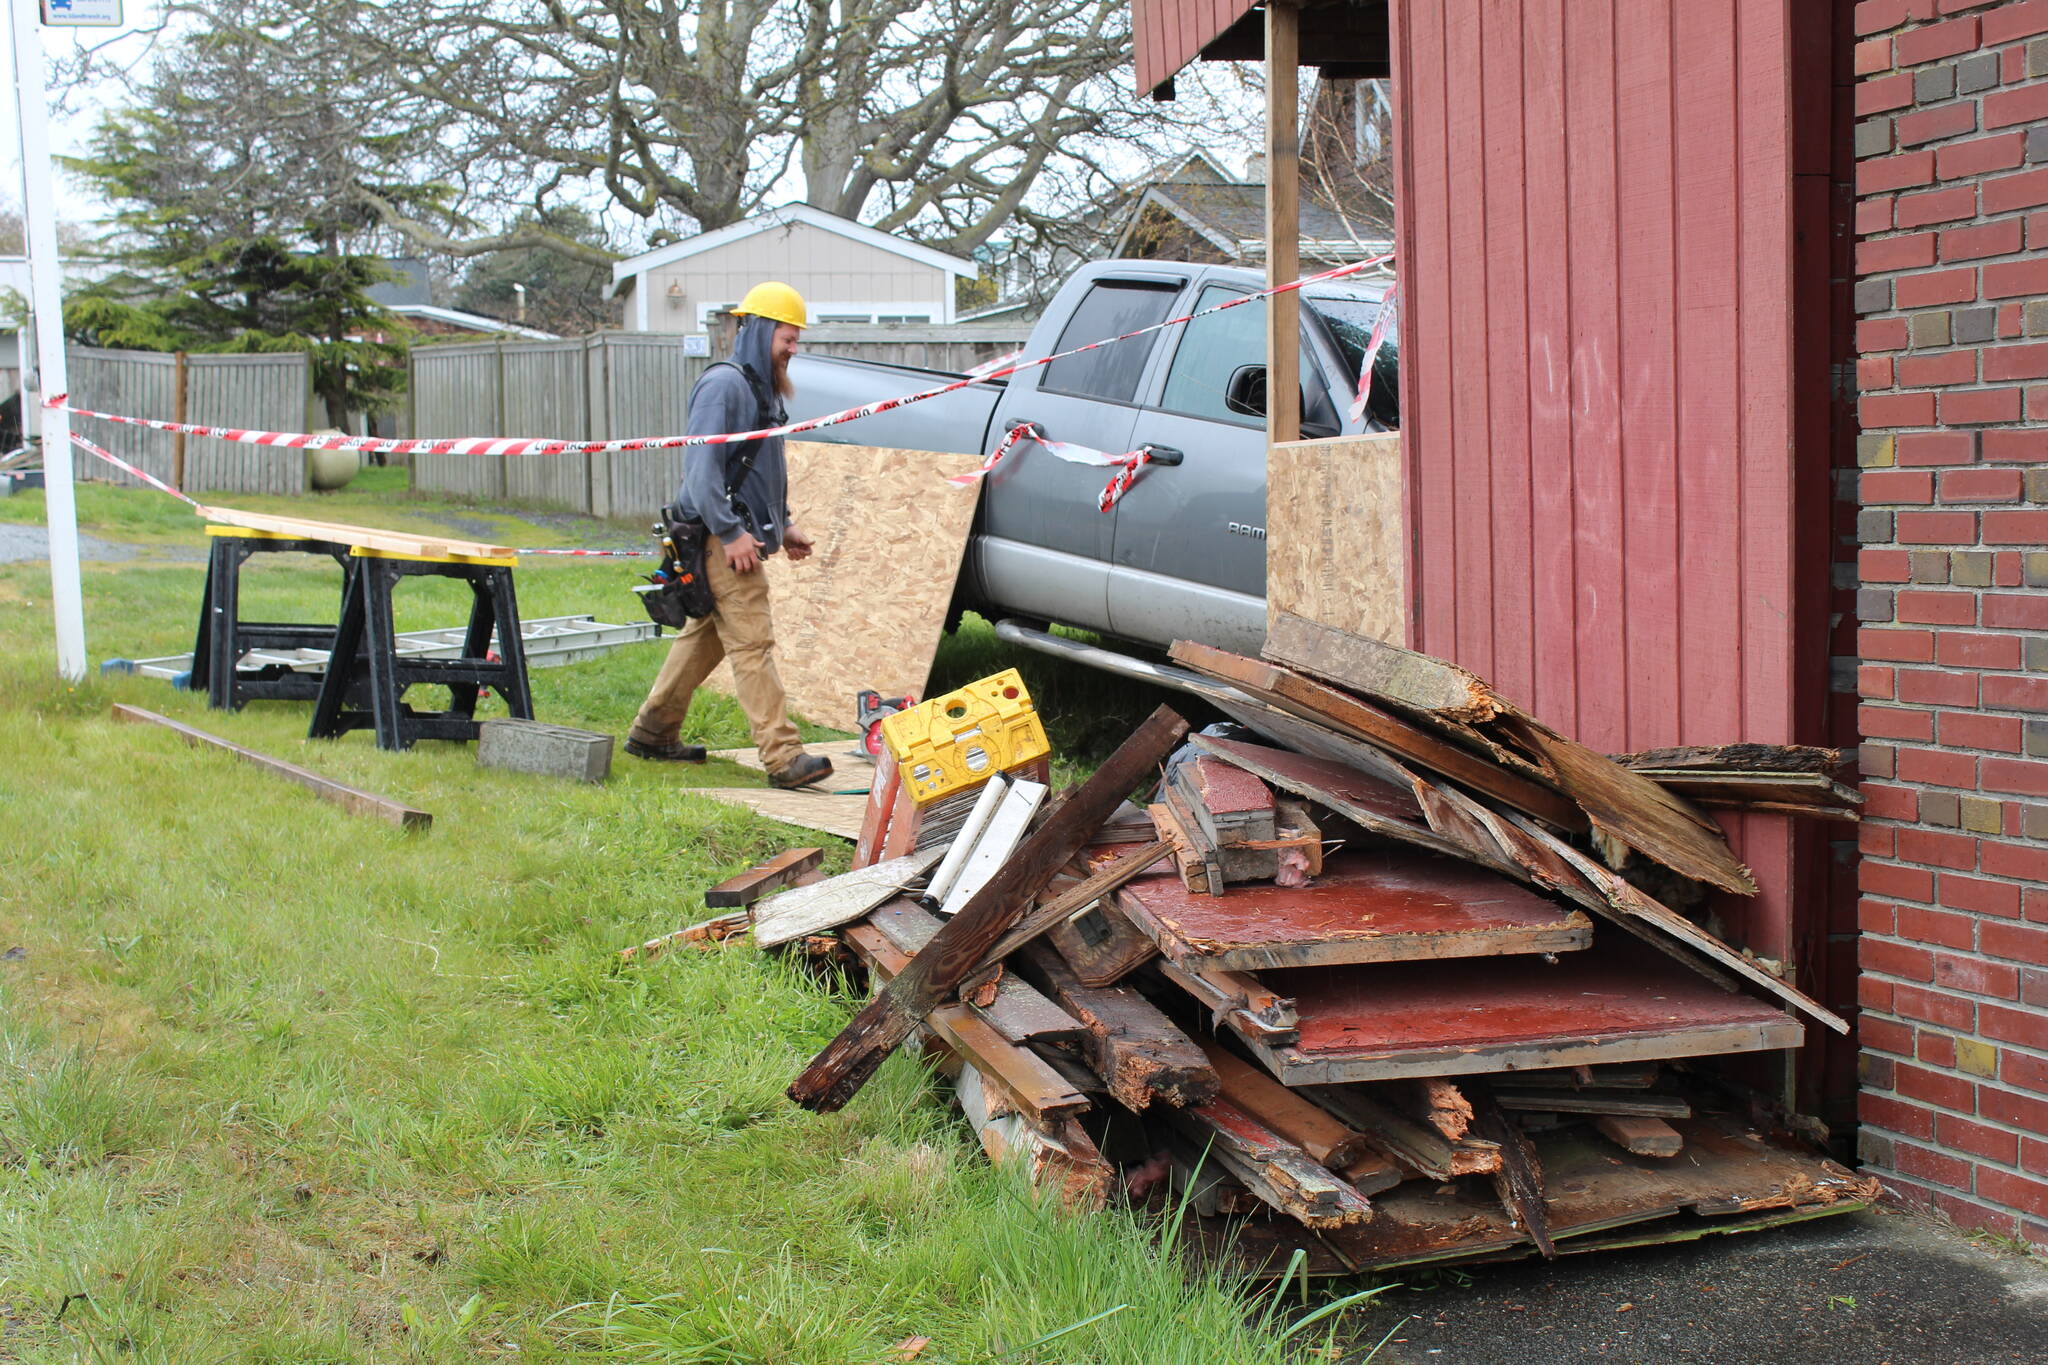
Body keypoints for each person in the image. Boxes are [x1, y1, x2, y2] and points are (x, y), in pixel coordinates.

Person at [624, 282, 833, 790]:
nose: (794, 348)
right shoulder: (723, 386)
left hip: (735, 535)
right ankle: (784, 758)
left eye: (797, 338)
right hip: (721, 540)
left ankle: (653, 733)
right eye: (788, 336)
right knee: (752, 642)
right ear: (761, 329)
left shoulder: (759, 389)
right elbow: (701, 471)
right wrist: (731, 532)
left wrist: (782, 524)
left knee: (706, 640)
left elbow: (762, 468)